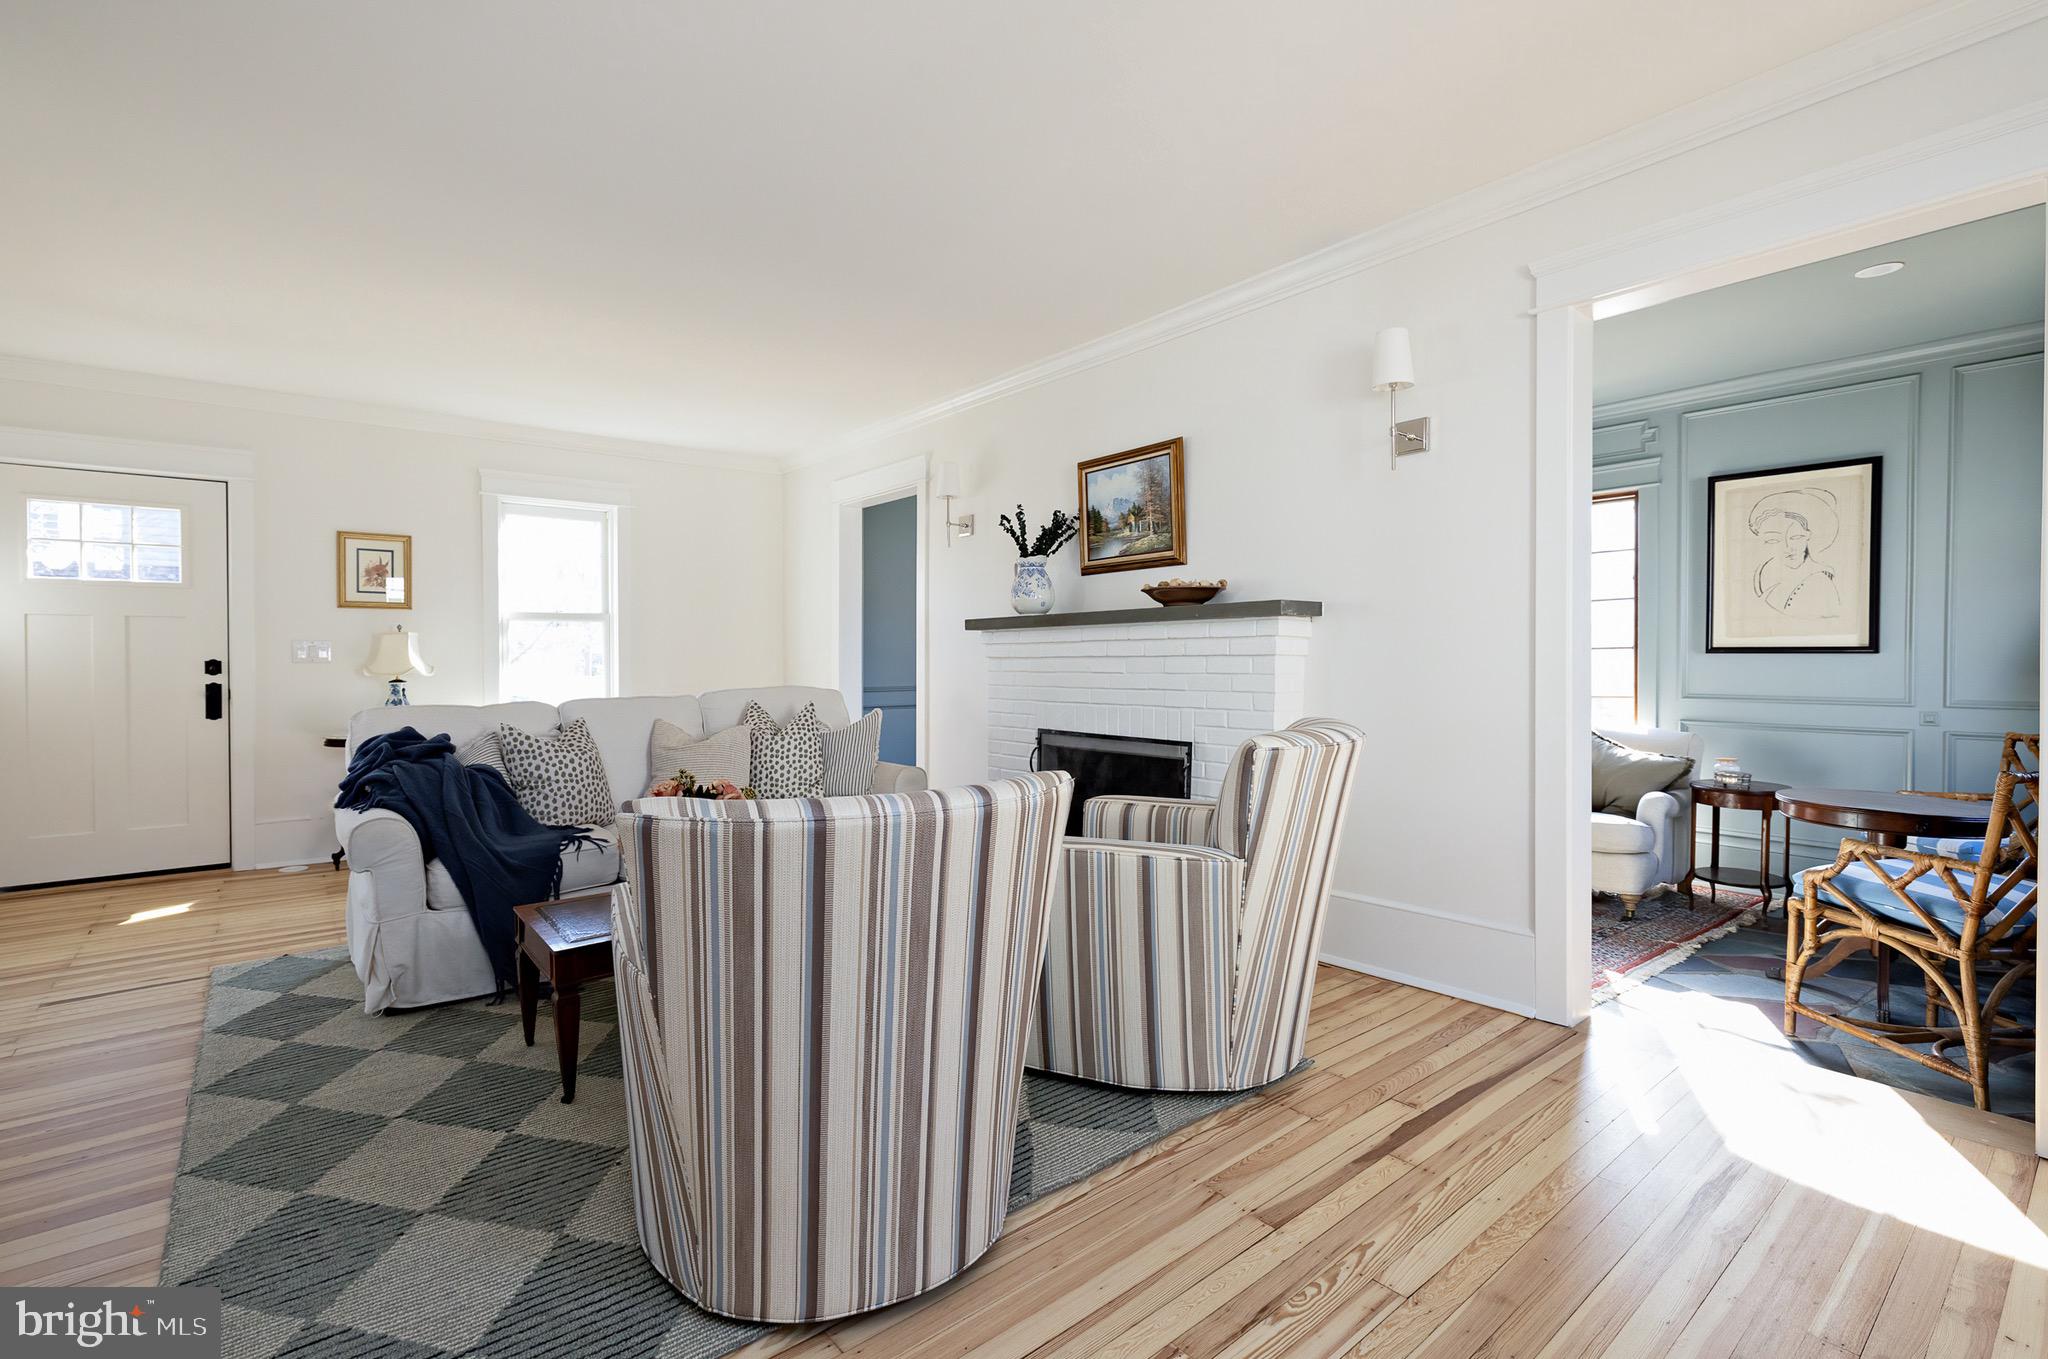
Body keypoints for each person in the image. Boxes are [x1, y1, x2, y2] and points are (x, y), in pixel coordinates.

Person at [1748, 487, 1842, 618]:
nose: (1788, 547)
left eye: (1796, 537)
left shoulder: (1819, 581)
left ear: (1808, 536)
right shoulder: (1762, 572)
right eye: (1774, 540)